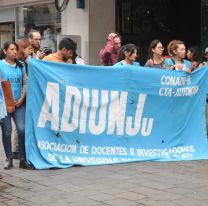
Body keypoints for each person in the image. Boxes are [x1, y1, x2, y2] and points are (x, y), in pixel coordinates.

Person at [0, 41, 33, 170]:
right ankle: (8, 159)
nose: (15, 52)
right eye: (12, 49)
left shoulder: (21, 65)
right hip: (4, 104)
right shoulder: (0, 65)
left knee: (22, 129)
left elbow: (26, 82)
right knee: (7, 131)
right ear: (5, 51)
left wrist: (22, 98)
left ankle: (22, 159)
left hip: (19, 103)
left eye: (16, 49)